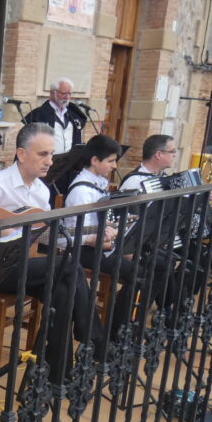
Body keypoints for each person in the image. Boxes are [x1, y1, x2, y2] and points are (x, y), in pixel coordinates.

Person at [0, 123, 106, 380]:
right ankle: (95, 341)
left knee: (63, 291)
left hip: (22, 266)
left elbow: (46, 236)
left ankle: (58, 371)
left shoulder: (41, 191)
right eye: (42, 154)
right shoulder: (0, 183)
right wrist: (1, 228)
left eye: (51, 154)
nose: (50, 161)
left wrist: (89, 237)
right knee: (70, 265)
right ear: (21, 154)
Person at [64, 134, 137, 334]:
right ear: (95, 160)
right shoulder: (81, 191)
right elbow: (74, 233)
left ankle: (123, 323)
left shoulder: (99, 183)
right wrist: (107, 243)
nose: (115, 166)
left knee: (146, 262)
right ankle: (116, 331)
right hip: (82, 250)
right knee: (137, 273)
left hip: (100, 245)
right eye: (111, 161)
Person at [22, 77, 87, 154]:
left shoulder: (73, 114)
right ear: (52, 93)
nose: (67, 97)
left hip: (70, 159)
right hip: (48, 159)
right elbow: (28, 143)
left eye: (69, 93)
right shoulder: (38, 115)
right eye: (63, 93)